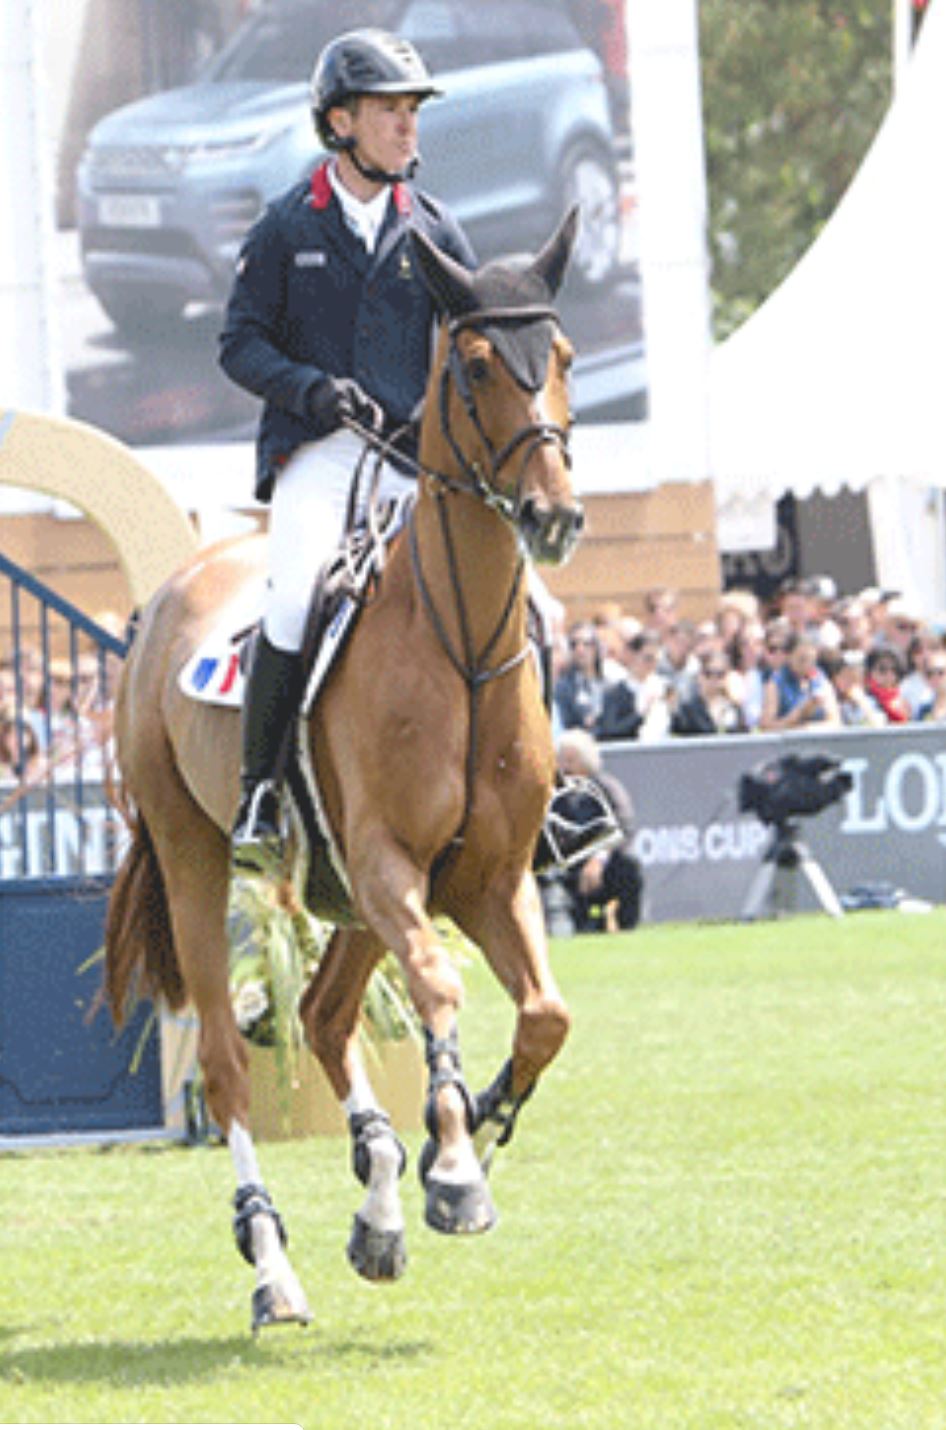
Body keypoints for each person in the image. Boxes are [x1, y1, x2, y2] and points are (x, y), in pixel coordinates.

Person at [219, 27, 477, 868]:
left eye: (412, 112)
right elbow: (239, 344)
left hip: (412, 466)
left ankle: (541, 793)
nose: (408, 128)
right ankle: (261, 791)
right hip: (323, 455)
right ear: (340, 123)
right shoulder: (285, 226)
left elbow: (477, 339)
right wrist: (309, 389)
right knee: (294, 595)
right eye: (390, 112)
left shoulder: (436, 227)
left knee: (525, 606)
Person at [540, 729, 643, 935]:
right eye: (561, 760)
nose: (564, 767)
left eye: (571, 761)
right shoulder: (551, 793)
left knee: (629, 867)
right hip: (565, 866)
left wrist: (599, 858)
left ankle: (624, 927)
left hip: (601, 864)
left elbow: (624, 825)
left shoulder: (607, 789)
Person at [758, 632, 840, 731]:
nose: (807, 665)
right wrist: (799, 715)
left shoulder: (820, 678)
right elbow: (766, 727)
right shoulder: (775, 683)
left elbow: (835, 721)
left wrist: (811, 729)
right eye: (802, 660)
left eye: (812, 660)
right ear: (789, 656)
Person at [670, 652, 747, 737]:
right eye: (708, 673)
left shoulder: (733, 708)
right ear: (699, 676)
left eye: (720, 674)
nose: (714, 679)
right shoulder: (687, 710)